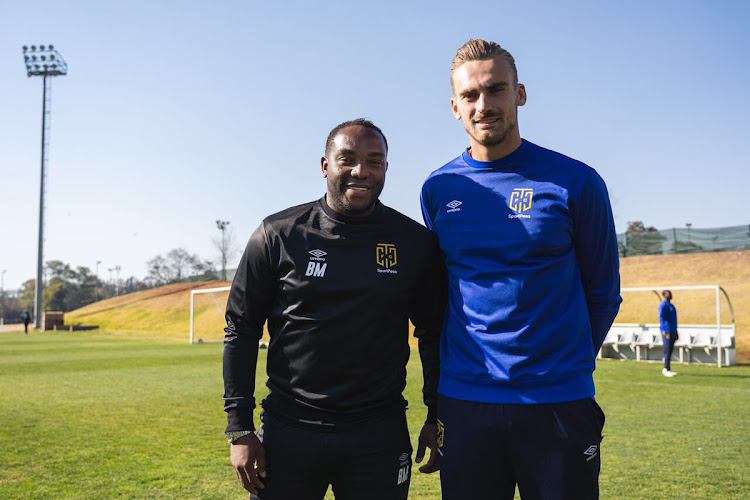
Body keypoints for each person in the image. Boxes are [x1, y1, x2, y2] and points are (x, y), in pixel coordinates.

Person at [419, 39, 622, 499]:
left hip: (557, 402)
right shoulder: (437, 189)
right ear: (455, 106)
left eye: (496, 90)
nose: (483, 105)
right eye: (470, 95)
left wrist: (561, 364)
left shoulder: (577, 182)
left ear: (520, 94)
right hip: (466, 401)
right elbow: (443, 292)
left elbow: (604, 292)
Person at [223, 118, 444, 500]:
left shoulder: (414, 243)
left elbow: (434, 334)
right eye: (348, 159)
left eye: (375, 161)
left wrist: (436, 416)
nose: (361, 171)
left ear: (386, 169)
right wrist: (239, 427)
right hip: (288, 431)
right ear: (325, 165)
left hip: (378, 433)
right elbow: (241, 329)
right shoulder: (278, 234)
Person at [659, 290, 678, 377]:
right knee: (667, 350)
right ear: (664, 295)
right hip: (667, 331)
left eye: (670, 293)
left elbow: (674, 320)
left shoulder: (672, 306)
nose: (669, 295)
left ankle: (668, 368)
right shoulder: (663, 305)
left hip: (673, 330)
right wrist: (664, 330)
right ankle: (665, 369)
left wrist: (676, 331)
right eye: (667, 294)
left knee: (670, 350)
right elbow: (661, 318)